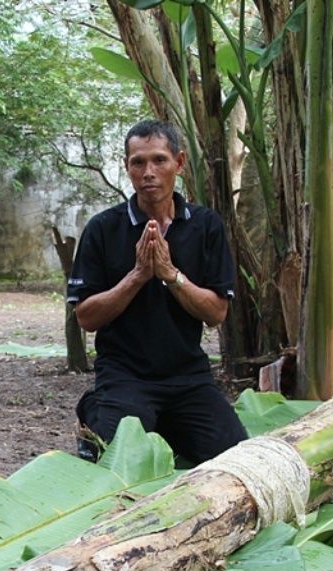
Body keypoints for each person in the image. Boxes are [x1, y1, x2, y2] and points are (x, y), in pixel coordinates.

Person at [68, 119, 247, 466]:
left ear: (179, 163)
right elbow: (86, 317)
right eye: (138, 162)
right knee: (113, 461)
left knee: (236, 460)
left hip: (188, 377)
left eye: (159, 160)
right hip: (125, 376)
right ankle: (96, 408)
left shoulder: (205, 226)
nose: (148, 172)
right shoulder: (103, 228)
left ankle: (165, 422)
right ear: (127, 167)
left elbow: (216, 313)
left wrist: (170, 275)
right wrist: (137, 276)